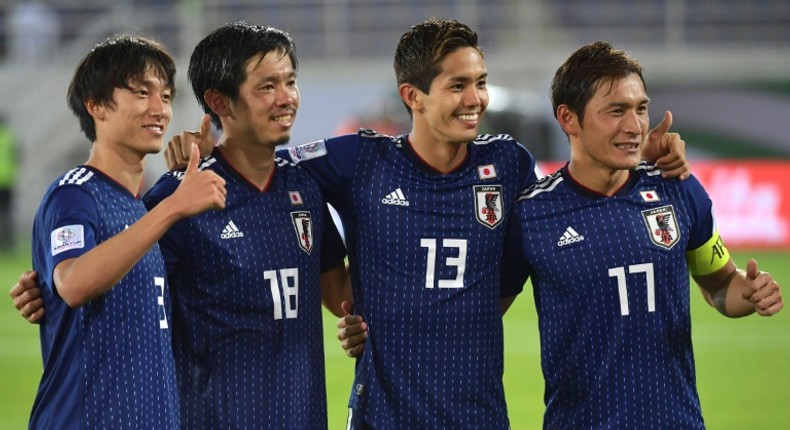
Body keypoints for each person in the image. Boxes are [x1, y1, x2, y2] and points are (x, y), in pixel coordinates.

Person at [13, 19, 687, 429]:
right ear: (412, 97)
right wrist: (50, 281)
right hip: (340, 418)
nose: (476, 98)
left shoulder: (502, 166)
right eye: (457, 85)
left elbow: (567, 208)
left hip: (467, 414)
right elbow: (122, 267)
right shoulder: (318, 169)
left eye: (479, 82)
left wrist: (642, 164)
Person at [11, 22, 352, 430]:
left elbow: (340, 296)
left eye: (290, 82)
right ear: (220, 102)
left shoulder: (303, 187)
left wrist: (370, 320)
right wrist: (49, 290)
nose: (286, 98)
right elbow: (93, 283)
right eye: (267, 87)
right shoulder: (167, 199)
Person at [498, 41, 784, 428]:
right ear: (568, 119)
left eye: (641, 108)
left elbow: (719, 285)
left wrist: (746, 292)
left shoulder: (677, 188)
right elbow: (481, 314)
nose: (634, 126)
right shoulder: (530, 214)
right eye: (616, 111)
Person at [25, 34, 227, 429]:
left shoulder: (137, 206)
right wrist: (173, 206)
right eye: (141, 92)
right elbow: (74, 282)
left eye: (166, 96)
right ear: (96, 106)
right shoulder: (74, 193)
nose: (159, 109)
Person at [0, 114, 17, 250]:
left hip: (5, 181)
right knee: (7, 213)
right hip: (7, 180)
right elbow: (17, 155)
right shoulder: (9, 137)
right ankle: (8, 242)